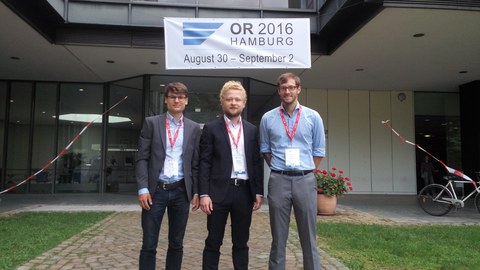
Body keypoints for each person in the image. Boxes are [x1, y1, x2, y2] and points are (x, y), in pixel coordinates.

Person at [260, 72, 326, 270]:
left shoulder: (313, 117)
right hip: (278, 179)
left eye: (291, 87)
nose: (287, 91)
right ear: (279, 90)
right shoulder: (268, 118)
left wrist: (305, 169)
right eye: (283, 88)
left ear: (298, 89)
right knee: (278, 237)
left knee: (308, 235)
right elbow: (265, 150)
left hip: (305, 180)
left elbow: (319, 151)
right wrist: (280, 167)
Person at [136, 82, 201, 270]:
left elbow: (195, 164)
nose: (177, 100)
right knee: (149, 244)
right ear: (166, 100)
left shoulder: (194, 128)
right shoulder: (151, 123)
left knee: (176, 243)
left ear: (186, 101)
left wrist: (196, 191)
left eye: (181, 97)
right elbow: (142, 158)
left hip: (181, 191)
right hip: (155, 192)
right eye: (173, 97)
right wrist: (143, 188)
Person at [199, 81, 264, 270]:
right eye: (229, 99)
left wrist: (258, 191)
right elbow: (204, 163)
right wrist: (204, 194)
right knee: (213, 241)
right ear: (222, 102)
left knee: (241, 242)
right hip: (218, 192)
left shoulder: (252, 130)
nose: (233, 103)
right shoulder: (211, 129)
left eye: (237, 99)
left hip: (244, 192)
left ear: (244, 103)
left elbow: (256, 162)